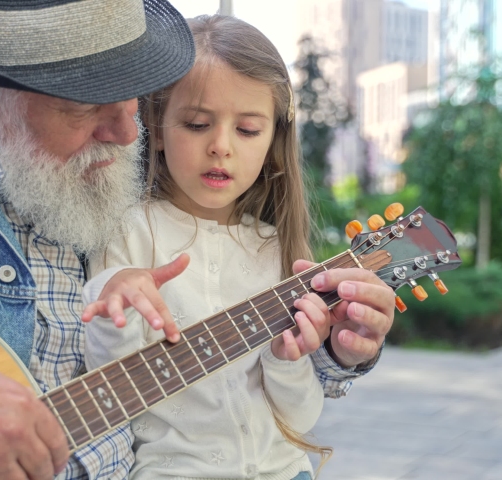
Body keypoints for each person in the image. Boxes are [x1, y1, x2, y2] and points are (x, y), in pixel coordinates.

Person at [0, 0, 396, 479]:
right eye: (83, 103)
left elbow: (227, 356)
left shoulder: (121, 167)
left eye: (136, 91)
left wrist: (330, 352)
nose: (128, 130)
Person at [81, 15, 335, 480]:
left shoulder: (276, 248)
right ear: (156, 127)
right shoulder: (126, 231)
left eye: (247, 130)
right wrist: (114, 300)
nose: (221, 146)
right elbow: (108, 391)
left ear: (273, 141)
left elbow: (299, 420)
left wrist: (285, 359)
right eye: (198, 124)